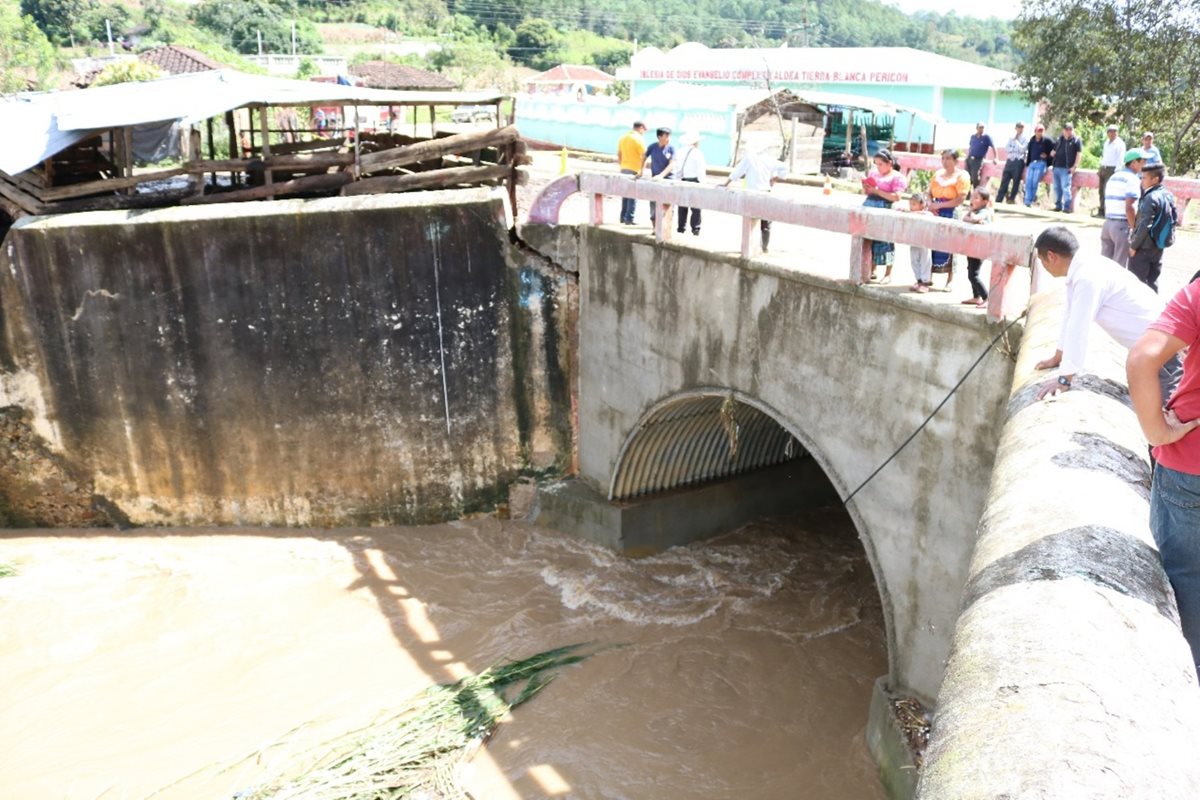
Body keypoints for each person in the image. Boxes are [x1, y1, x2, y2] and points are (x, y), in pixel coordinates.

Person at [1126, 283, 1200, 677]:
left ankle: (1187, 683)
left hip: (1191, 465)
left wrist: (1157, 433)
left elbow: (1142, 357)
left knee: (1186, 583)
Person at [1031, 226, 1179, 402]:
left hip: (1163, 348)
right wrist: (1058, 357)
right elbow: (1070, 317)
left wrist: (1064, 379)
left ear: (1051, 256)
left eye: (1042, 260)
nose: (1044, 266)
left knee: (1168, 413)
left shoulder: (1087, 277)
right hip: (1154, 345)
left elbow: (1079, 327)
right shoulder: (1084, 268)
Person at [722, 146, 788, 253]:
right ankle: (764, 248)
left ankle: (747, 248)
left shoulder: (749, 158)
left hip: (751, 194)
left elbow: (737, 172)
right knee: (766, 223)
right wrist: (774, 179)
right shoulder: (769, 159)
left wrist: (725, 184)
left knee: (750, 222)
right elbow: (785, 168)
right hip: (765, 193)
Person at [860, 149, 909, 282]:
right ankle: (872, 269)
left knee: (886, 241)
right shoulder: (874, 174)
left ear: (889, 163)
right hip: (870, 206)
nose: (878, 167)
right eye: (876, 164)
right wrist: (867, 188)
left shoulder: (897, 177)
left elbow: (896, 197)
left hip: (885, 208)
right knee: (869, 240)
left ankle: (888, 274)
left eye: (881, 164)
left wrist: (877, 191)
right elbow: (868, 193)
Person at [1128, 163, 1178, 292]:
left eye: (1144, 178)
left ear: (1155, 179)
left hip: (1143, 247)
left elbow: (1145, 225)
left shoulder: (1150, 197)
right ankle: (1154, 310)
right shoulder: (1168, 195)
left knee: (1135, 284)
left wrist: (1134, 246)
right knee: (1152, 282)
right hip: (1158, 246)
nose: (1141, 181)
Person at [928, 149, 970, 289]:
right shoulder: (938, 174)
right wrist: (931, 204)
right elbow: (929, 193)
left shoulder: (962, 176)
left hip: (951, 211)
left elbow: (960, 199)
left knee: (950, 245)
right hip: (936, 211)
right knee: (932, 244)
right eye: (943, 158)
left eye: (948, 159)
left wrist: (941, 204)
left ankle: (950, 280)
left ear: (955, 161)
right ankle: (929, 276)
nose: (945, 162)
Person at [1100, 149, 1144, 268]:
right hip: (1121, 226)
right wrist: (1134, 229)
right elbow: (1130, 207)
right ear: (1134, 163)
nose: (1144, 165)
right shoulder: (1132, 179)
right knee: (1118, 267)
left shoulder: (1114, 177)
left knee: (1105, 265)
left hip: (1108, 224)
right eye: (1142, 162)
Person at [960, 187, 994, 308]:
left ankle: (986, 297)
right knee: (970, 269)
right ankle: (976, 296)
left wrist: (972, 214)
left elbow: (973, 219)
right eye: (972, 197)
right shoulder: (976, 211)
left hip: (980, 248)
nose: (972, 200)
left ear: (984, 202)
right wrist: (971, 214)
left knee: (973, 274)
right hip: (972, 246)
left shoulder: (985, 212)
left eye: (976, 198)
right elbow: (965, 218)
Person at [672, 132, 707, 236]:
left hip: (682, 180)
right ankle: (695, 228)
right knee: (696, 207)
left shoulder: (679, 152)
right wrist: (703, 183)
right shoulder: (697, 153)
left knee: (682, 205)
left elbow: (677, 168)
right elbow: (700, 170)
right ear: (695, 142)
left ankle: (681, 227)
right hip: (694, 181)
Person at [642, 127, 675, 228]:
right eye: (666, 136)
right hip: (655, 180)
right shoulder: (652, 147)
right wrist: (641, 171)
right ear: (659, 137)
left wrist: (662, 175)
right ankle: (654, 228)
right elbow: (643, 157)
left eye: (669, 136)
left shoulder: (671, 148)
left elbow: (672, 164)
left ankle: (665, 229)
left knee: (667, 205)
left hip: (668, 180)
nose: (668, 138)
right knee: (653, 204)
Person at [617, 121, 648, 225]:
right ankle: (629, 219)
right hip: (634, 169)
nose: (644, 132)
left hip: (624, 168)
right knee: (633, 195)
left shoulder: (623, 138)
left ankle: (622, 217)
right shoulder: (639, 139)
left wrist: (621, 165)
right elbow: (644, 156)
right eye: (644, 130)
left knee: (625, 194)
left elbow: (619, 154)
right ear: (641, 128)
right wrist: (642, 170)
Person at [1050, 122, 1083, 213]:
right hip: (1056, 167)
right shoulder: (1059, 139)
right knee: (1057, 188)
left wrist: (1074, 166)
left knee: (1065, 188)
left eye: (1070, 129)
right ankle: (1058, 206)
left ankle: (1067, 207)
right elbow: (1053, 150)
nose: (1069, 131)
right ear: (1063, 130)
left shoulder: (1076, 140)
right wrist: (1052, 153)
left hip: (1067, 168)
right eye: (1067, 129)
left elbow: (1079, 154)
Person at [906, 193, 935, 294]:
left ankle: (925, 282)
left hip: (925, 242)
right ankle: (918, 280)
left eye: (914, 204)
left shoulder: (927, 214)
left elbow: (928, 215)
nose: (911, 207)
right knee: (914, 260)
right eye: (910, 204)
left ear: (922, 205)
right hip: (914, 240)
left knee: (925, 260)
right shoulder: (910, 213)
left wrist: (912, 213)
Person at [1097, 124, 1126, 218]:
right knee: (1101, 190)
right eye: (1110, 131)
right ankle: (1101, 210)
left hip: (1113, 169)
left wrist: (1117, 171)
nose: (1112, 133)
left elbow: (1121, 159)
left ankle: (1107, 211)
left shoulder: (1120, 144)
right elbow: (1105, 156)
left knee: (1108, 190)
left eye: (1114, 131)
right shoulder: (1106, 143)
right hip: (1104, 167)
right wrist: (1101, 167)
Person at [996, 122, 1028, 204]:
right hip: (1010, 160)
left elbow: (1022, 150)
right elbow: (1007, 148)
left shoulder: (1025, 139)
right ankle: (999, 199)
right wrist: (1014, 147)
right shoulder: (1011, 138)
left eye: (1021, 127)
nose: (1020, 129)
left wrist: (1016, 142)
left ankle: (1011, 199)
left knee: (1016, 181)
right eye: (1018, 127)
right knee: (1004, 180)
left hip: (1018, 161)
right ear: (1016, 128)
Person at [1024, 124, 1054, 207]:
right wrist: (1027, 163)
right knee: (1028, 181)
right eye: (1039, 131)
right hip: (1032, 163)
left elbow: (1055, 148)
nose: (1040, 133)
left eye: (1042, 131)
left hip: (1041, 163)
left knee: (1034, 182)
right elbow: (1029, 152)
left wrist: (1048, 156)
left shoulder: (1047, 140)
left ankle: (1029, 201)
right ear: (1035, 132)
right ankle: (1027, 200)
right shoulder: (1032, 140)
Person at [965, 122, 997, 188]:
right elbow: (971, 146)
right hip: (970, 158)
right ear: (977, 128)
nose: (981, 129)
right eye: (980, 127)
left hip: (978, 159)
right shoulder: (973, 137)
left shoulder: (986, 137)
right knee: (967, 176)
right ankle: (967, 194)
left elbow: (993, 147)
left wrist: (996, 157)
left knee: (975, 176)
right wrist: (967, 155)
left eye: (983, 128)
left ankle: (976, 191)